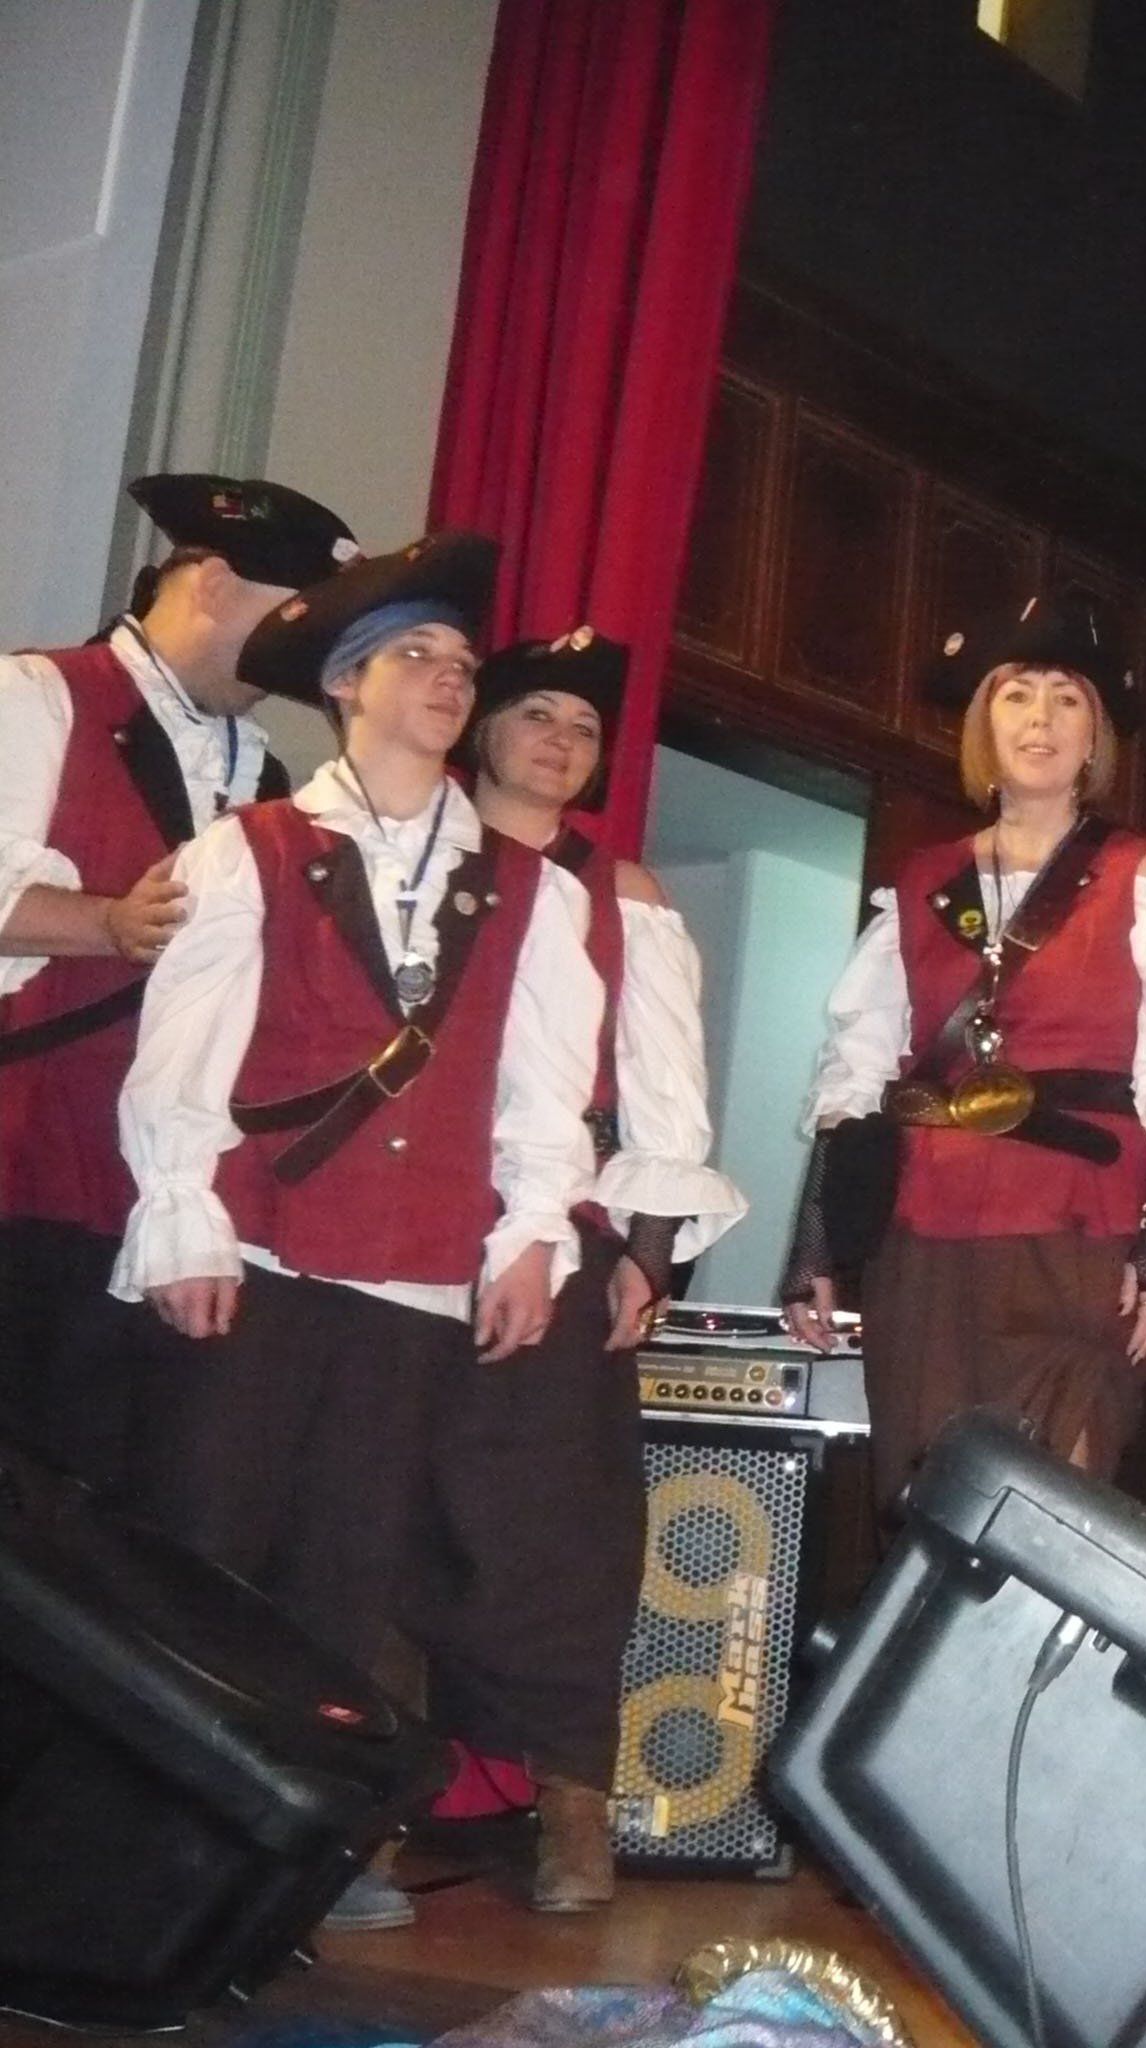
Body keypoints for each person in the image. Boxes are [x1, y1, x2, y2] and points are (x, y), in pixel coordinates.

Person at [111, 534, 605, 1932]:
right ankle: (165, 1848)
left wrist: (531, 1233)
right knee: (204, 1554)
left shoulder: (536, 890)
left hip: (416, 1275)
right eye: (416, 656)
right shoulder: (249, 849)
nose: (449, 679)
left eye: (461, 661)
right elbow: (181, 1059)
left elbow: (543, 1089)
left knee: (351, 1573)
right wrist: (186, 1217)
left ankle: (312, 1854)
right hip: (258, 1255)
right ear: (344, 684)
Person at [409, 628, 746, 1912]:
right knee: (390, 1499)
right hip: (409, 1219)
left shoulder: (626, 894)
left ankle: (569, 1803)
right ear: (484, 726)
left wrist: (645, 1255)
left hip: (567, 1229)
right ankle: (380, 1785)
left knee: (556, 1521)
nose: (560, 741)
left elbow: (667, 1095)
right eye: (537, 714)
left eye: (584, 727)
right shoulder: (411, 850)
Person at [779, 596, 1146, 1504]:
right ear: (984, 724)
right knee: (929, 1499)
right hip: (926, 1239)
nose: (1041, 719)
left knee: (1055, 1504)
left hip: (1078, 1237)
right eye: (1017, 695)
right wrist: (813, 1247)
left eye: (1067, 700)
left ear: (1095, 736)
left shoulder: (1142, 874)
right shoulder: (922, 882)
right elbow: (856, 1074)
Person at [0, 474, 358, 1489]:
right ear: (209, 581)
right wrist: (106, 924)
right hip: (23, 1168)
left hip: (154, 1198)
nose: (297, 650)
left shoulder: (269, 779)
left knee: (93, 1506)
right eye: (288, 615)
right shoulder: (35, 694)